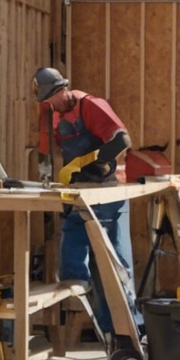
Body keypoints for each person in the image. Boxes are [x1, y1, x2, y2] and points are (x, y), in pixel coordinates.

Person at [35, 68, 136, 330]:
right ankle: (97, 326)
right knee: (72, 266)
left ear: (64, 88)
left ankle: (128, 331)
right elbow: (47, 151)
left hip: (108, 191)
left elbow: (121, 140)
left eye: (57, 96)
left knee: (116, 268)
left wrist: (96, 162)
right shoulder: (51, 114)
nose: (55, 103)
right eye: (49, 100)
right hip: (79, 192)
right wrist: (47, 174)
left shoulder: (90, 105)